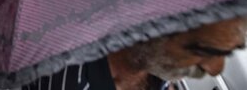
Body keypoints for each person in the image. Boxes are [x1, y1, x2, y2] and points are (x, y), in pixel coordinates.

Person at [22, 16, 247, 90]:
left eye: (230, 50)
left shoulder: (153, 62)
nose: (215, 68)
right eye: (204, 50)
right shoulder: (64, 76)